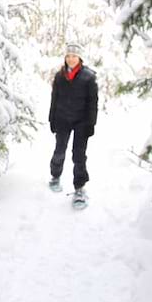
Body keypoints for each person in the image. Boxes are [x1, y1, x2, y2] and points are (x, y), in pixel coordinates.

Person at [48, 42, 98, 205]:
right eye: (68, 56)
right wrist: (52, 118)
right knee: (59, 150)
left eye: (74, 56)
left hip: (81, 122)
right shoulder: (59, 76)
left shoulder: (89, 77)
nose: (71, 59)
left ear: (80, 58)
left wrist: (91, 123)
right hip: (62, 119)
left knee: (79, 155)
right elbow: (54, 99)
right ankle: (55, 176)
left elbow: (93, 103)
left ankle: (79, 188)